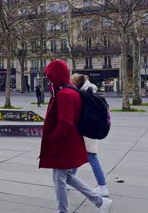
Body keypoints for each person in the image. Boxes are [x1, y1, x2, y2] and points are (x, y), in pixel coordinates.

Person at [39, 60, 112, 213]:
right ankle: (100, 202)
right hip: (71, 141)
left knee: (59, 179)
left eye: (49, 75)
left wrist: (53, 141)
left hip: (64, 143)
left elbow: (65, 122)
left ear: (55, 75)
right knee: (67, 177)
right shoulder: (70, 89)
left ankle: (63, 211)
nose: (48, 78)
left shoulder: (64, 93)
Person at [70, 74, 110, 197]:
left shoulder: (83, 95)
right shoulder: (90, 93)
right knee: (78, 156)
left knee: (92, 157)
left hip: (87, 132)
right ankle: (69, 179)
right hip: (91, 130)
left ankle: (102, 186)